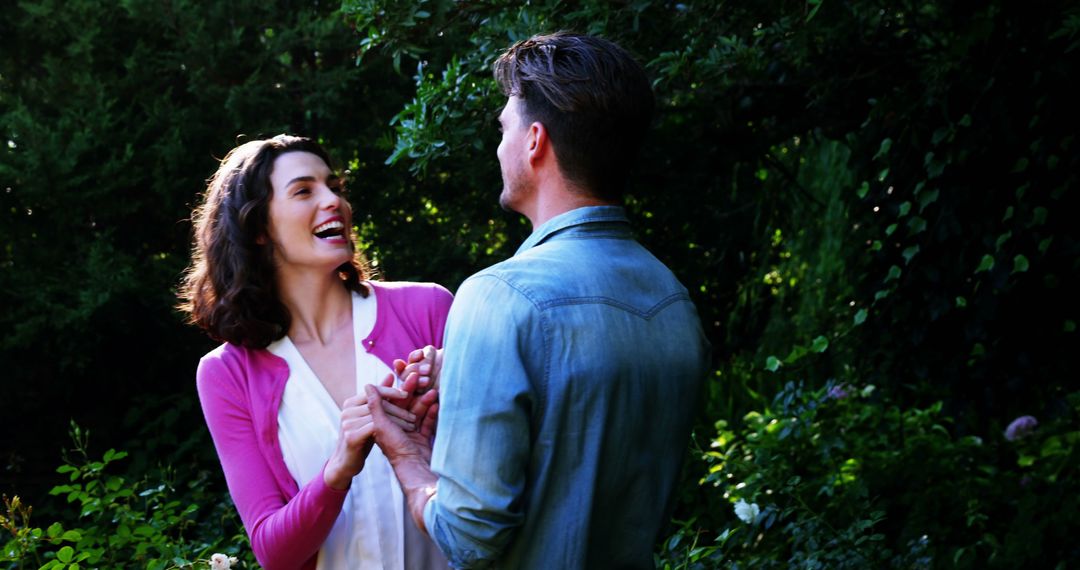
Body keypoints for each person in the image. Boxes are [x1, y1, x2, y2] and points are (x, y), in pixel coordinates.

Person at [366, 32, 711, 569]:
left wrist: (409, 460)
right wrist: (466, 382)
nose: (497, 147)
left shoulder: (499, 296)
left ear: (534, 141)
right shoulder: (674, 301)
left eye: (503, 129)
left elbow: (467, 536)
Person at [178, 135, 452, 570]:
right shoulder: (226, 374)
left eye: (335, 187)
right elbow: (273, 551)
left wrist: (459, 389)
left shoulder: (429, 309)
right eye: (304, 191)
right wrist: (339, 466)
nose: (334, 202)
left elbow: (502, 467)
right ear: (259, 229)